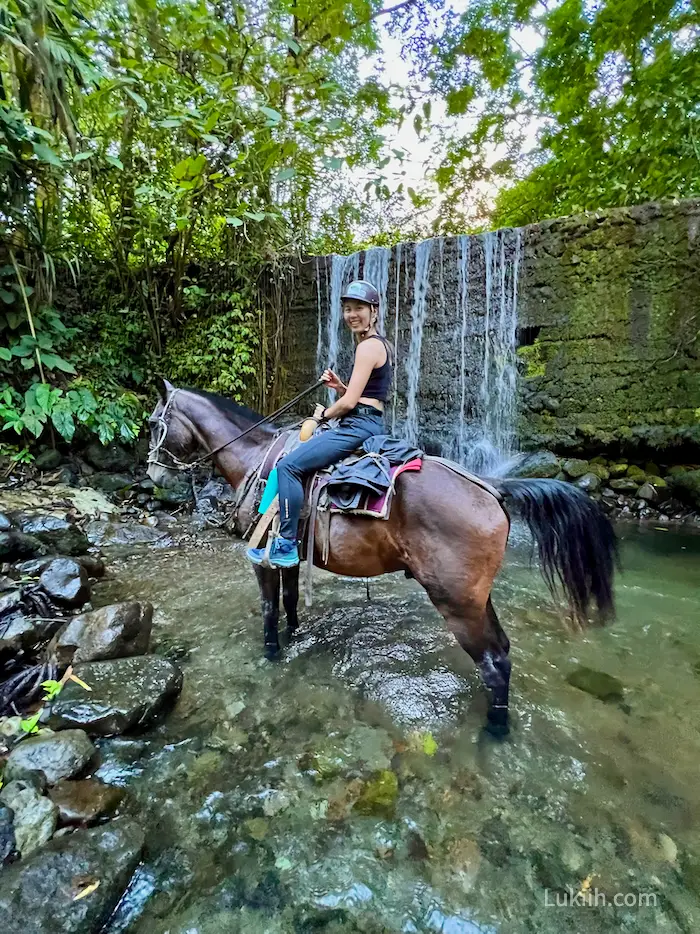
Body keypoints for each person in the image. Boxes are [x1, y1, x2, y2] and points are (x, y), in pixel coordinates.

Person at [247, 279, 392, 568]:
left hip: (358, 426)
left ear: (374, 311)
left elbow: (350, 405)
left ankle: (286, 544)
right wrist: (341, 387)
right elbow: (364, 395)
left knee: (289, 466)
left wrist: (321, 416)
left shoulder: (367, 348)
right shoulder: (380, 345)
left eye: (359, 308)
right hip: (370, 422)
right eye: (348, 309)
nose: (352, 314)